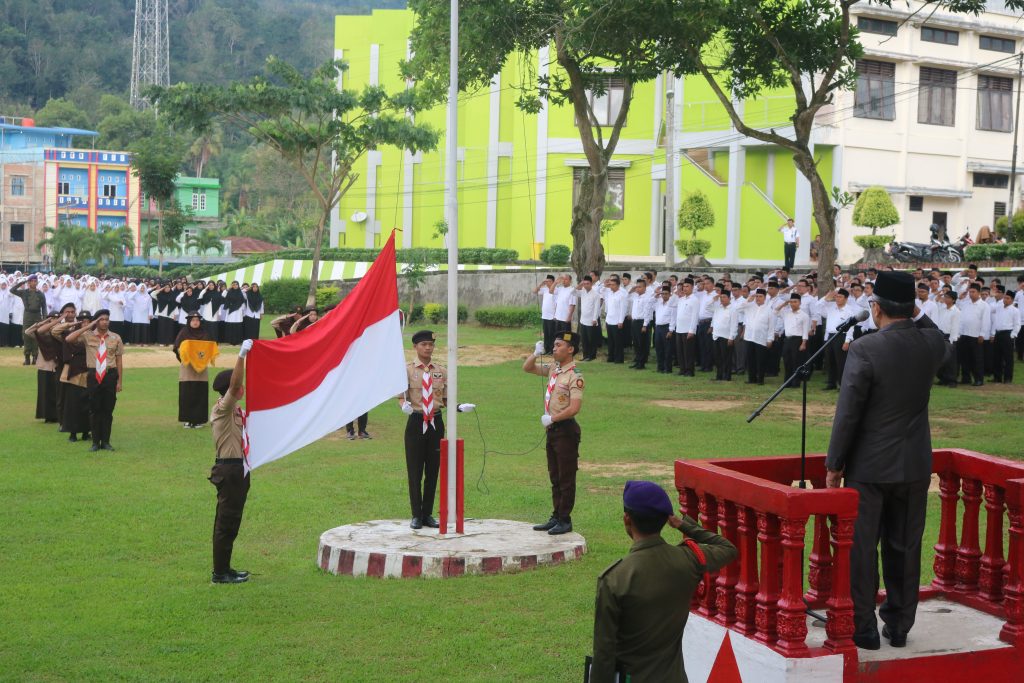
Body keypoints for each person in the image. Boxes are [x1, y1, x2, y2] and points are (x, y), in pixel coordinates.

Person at [825, 271, 948, 651]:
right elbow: (940, 338)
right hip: (913, 464)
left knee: (863, 547)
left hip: (870, 466)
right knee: (906, 546)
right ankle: (898, 625)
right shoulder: (932, 344)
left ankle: (864, 628)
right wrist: (916, 311)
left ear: (875, 309)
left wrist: (834, 464)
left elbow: (848, 414)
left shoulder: (865, 348)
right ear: (911, 307)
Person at [591, 481, 737, 682]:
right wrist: (683, 524)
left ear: (627, 519)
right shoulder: (688, 560)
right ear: (665, 520)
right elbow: (728, 548)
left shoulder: (615, 579)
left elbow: (604, 655)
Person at [523, 332, 584, 535]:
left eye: (559, 345)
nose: (554, 348)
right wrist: (535, 353)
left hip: (565, 429)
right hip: (552, 430)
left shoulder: (574, 376)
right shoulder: (553, 369)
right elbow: (528, 368)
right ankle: (556, 515)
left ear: (571, 349)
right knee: (555, 476)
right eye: (554, 345)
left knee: (566, 477)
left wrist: (553, 419)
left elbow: (575, 408)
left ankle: (565, 519)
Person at [208, 339, 254, 584]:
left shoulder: (235, 410)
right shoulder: (223, 409)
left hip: (239, 468)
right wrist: (242, 355)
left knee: (232, 520)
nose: (242, 387)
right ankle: (219, 573)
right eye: (239, 386)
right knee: (226, 522)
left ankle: (226, 568)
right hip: (229, 469)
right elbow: (235, 383)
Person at [397, 330, 447, 530]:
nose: (428, 347)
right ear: (415, 347)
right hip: (416, 422)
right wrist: (403, 406)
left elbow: (446, 397)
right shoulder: (407, 370)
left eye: (431, 344)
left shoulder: (441, 370)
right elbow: (401, 396)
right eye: (424, 344)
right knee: (415, 470)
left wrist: (457, 406)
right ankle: (416, 514)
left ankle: (428, 514)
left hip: (435, 422)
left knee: (433, 469)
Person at [66, 309, 124, 452]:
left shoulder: (115, 338)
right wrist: (88, 326)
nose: (105, 321)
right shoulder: (87, 336)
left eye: (107, 319)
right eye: (102, 319)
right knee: (94, 409)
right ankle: (95, 443)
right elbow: (69, 339)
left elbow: (119, 361)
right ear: (96, 321)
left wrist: (119, 381)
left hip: (110, 375)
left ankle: (106, 442)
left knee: (107, 410)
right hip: (93, 375)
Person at [53, 311, 92, 443]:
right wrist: (72, 323)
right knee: (73, 405)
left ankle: (86, 432)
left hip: (88, 372)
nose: (84, 323)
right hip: (73, 373)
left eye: (87, 321)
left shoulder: (93, 336)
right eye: (82, 320)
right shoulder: (70, 334)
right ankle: (73, 433)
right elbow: (55, 331)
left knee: (87, 404)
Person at [175, 312, 216, 428]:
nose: (195, 322)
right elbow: (177, 347)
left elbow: (211, 347)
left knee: (200, 393)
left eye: (197, 320)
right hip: (187, 369)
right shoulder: (184, 333)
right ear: (189, 321)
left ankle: (198, 420)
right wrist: (185, 357)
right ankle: (187, 420)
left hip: (201, 370)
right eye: (193, 320)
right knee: (187, 393)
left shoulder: (205, 333)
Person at [11, 275, 48, 365]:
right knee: (26, 335)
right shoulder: (24, 292)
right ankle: (27, 357)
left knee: (36, 335)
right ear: (29, 282)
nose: (34, 283)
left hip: (37, 315)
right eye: (32, 281)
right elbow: (12, 290)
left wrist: (44, 319)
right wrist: (21, 283)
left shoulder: (40, 294)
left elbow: (44, 307)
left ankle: (35, 357)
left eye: (35, 281)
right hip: (27, 315)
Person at [990, 288, 1020, 383]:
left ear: (1011, 300)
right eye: (1004, 298)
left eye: (1007, 298)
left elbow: (1017, 324)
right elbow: (993, 315)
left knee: (1008, 358)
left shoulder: (1015, 310)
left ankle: (1007, 378)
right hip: (998, 334)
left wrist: (1013, 335)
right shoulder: (999, 308)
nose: (1005, 300)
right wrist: (993, 333)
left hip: (1007, 334)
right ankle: (997, 377)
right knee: (996, 357)